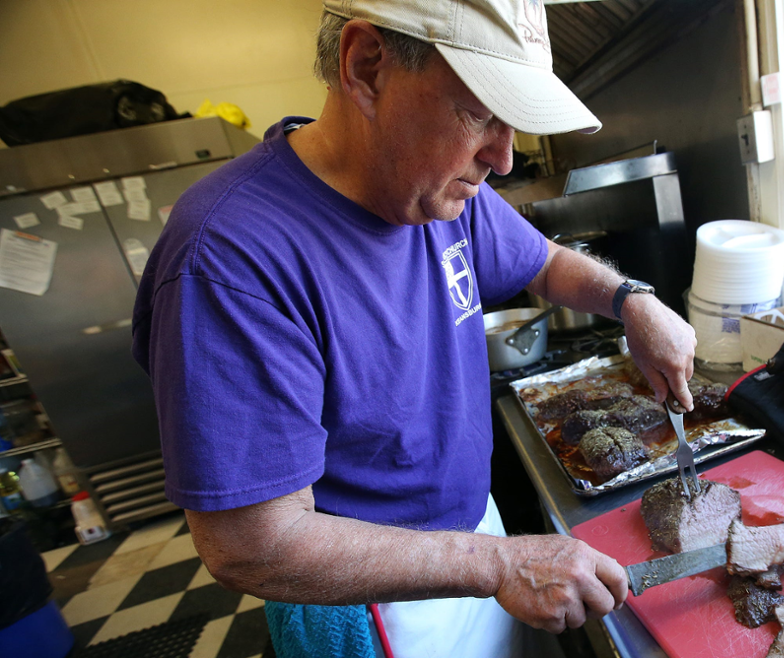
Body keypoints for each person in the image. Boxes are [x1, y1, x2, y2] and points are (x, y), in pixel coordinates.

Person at [130, 1, 697, 656]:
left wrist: (632, 301)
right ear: (367, 65)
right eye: (481, 112)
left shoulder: (440, 188)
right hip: (371, 601)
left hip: (474, 541)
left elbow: (542, 262)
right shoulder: (230, 258)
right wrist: (496, 565)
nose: (503, 159)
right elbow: (251, 546)